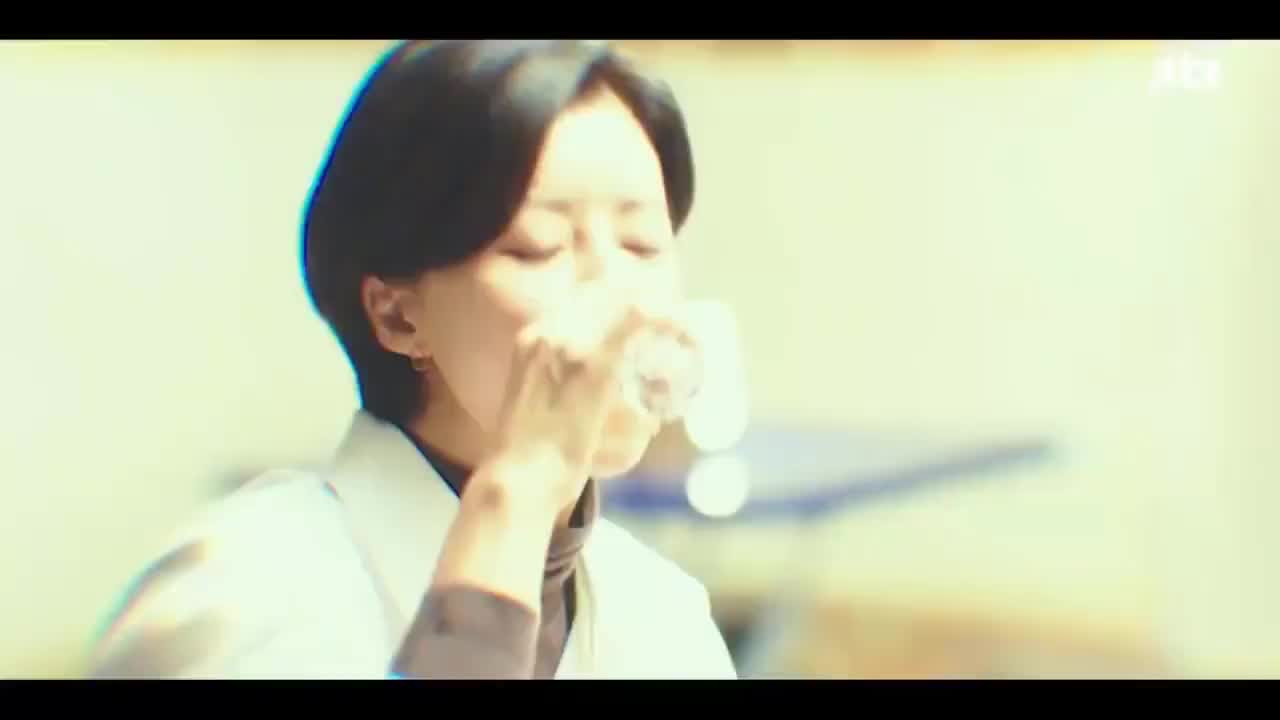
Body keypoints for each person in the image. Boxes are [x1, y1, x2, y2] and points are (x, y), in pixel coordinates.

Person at [87, 39, 738, 680]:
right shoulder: (246, 590)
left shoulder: (662, 616)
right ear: (397, 315)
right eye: (538, 248)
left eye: (642, 243)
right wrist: (521, 486)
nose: (622, 300)